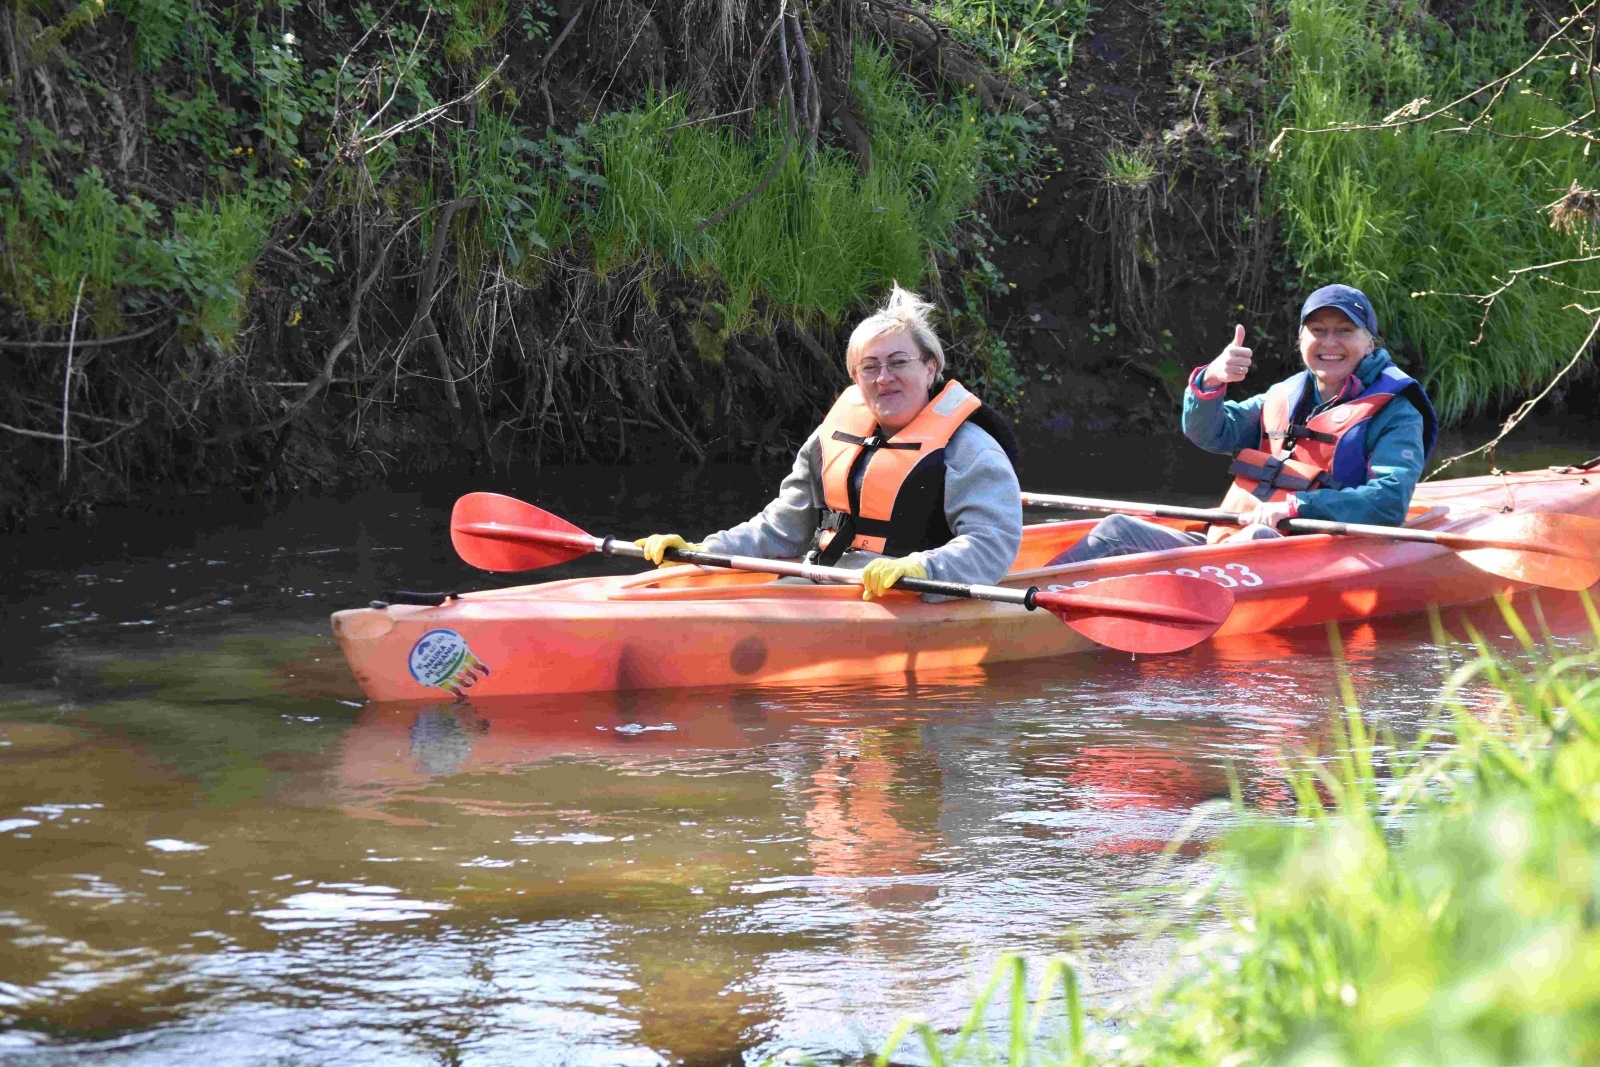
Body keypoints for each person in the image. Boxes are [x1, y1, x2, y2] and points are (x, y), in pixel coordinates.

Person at [636, 285, 1022, 599]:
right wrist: (703, 551)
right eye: (870, 367)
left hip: (907, 596)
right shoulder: (828, 440)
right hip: (824, 583)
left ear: (930, 367)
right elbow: (780, 528)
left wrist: (922, 569)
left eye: (899, 362)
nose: (883, 377)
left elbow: (991, 543)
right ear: (855, 378)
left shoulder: (970, 450)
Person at [1051, 283, 1438, 565]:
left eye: (1345, 331)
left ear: (1370, 342)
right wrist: (1211, 380)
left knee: (1257, 537)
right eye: (1318, 331)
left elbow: (1389, 502)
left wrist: (1299, 506)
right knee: (1117, 528)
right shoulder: (1283, 396)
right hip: (1231, 544)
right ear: (1300, 339)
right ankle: (1031, 605)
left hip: (1316, 553)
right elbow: (1210, 433)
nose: (1330, 343)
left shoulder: (1396, 411)